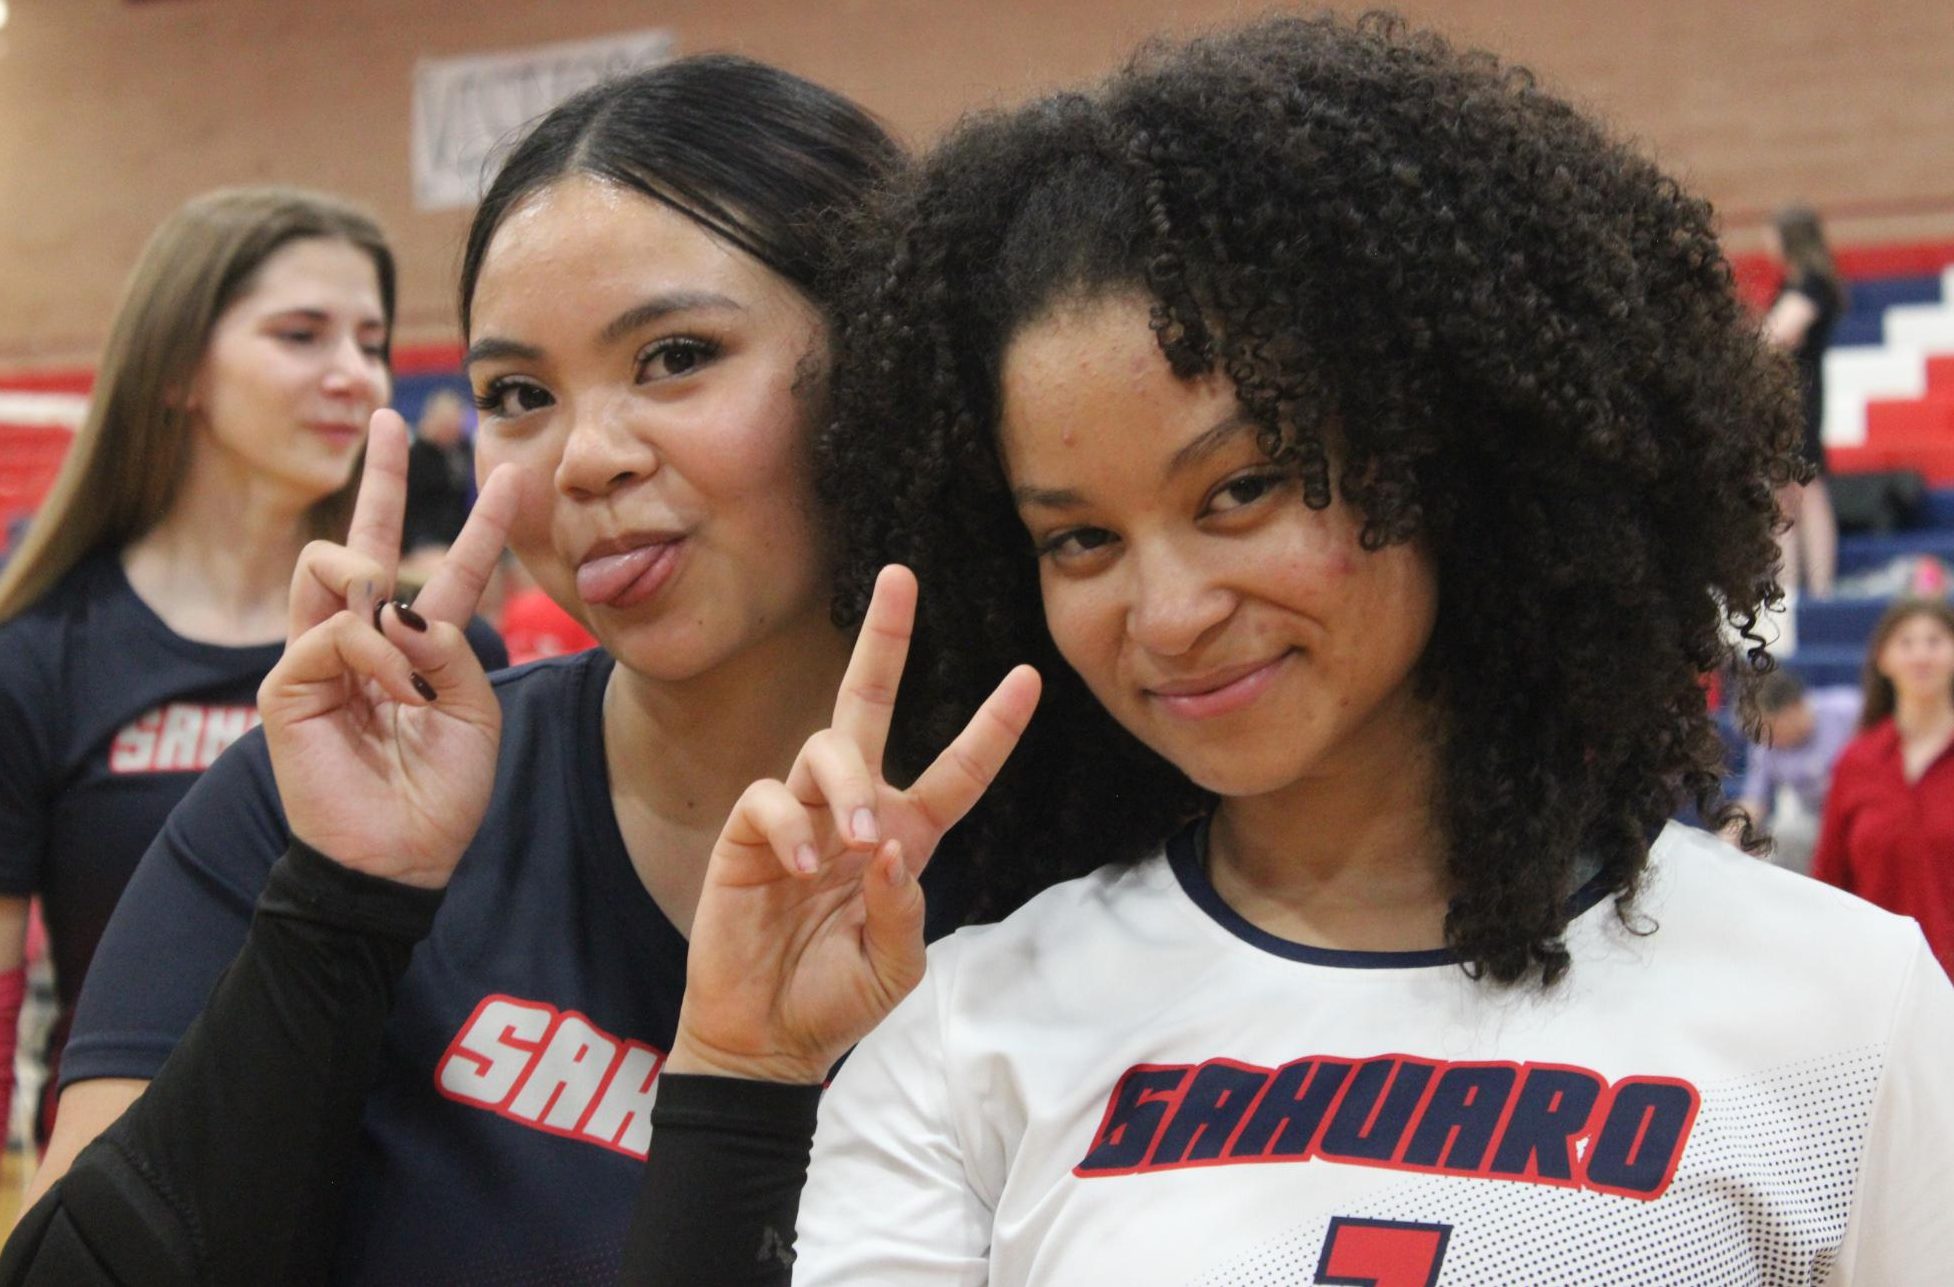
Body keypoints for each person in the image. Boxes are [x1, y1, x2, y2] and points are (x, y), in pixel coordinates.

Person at [621, 16, 1950, 1282]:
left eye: (1239, 489)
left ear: (1443, 452)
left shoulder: (1842, 1009)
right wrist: (739, 1068)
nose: (1168, 609)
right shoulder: (971, 1025)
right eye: (1078, 539)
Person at [10, 55, 945, 1285]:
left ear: (881, 355)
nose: (585, 458)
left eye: (673, 355)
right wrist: (344, 908)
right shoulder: (307, 802)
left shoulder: (1082, 853)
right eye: (517, 391)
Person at [0, 187, 502, 1156]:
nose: (355, 376)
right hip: (136, 1195)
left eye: (371, 340)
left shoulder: (441, 648)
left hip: (393, 1194)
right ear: (178, 364)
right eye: (302, 334)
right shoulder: (38, 656)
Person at [1814, 598, 1954, 978]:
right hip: (1878, 984)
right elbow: (1830, 882)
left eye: (1935, 641)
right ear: (1883, 658)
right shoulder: (1855, 763)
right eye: (1906, 642)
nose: (1921, 654)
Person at [1764, 203, 1844, 598]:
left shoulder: (1811, 284)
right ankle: (1791, 585)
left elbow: (1778, 336)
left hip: (1801, 396)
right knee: (1786, 492)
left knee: (1806, 488)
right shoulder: (1796, 283)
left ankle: (1818, 586)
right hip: (1788, 395)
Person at [1732, 669, 1861, 873]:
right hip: (1818, 818)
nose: (1766, 739)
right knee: (1785, 835)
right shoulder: (1765, 744)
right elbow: (1754, 800)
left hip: (1863, 812)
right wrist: (1729, 838)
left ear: (1794, 708)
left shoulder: (1850, 711)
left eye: (1771, 727)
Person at [400, 387, 475, 557]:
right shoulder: (414, 456)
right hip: (424, 540)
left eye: (455, 423)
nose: (452, 430)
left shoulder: (463, 449)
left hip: (458, 534)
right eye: (446, 424)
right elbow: (408, 512)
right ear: (431, 421)